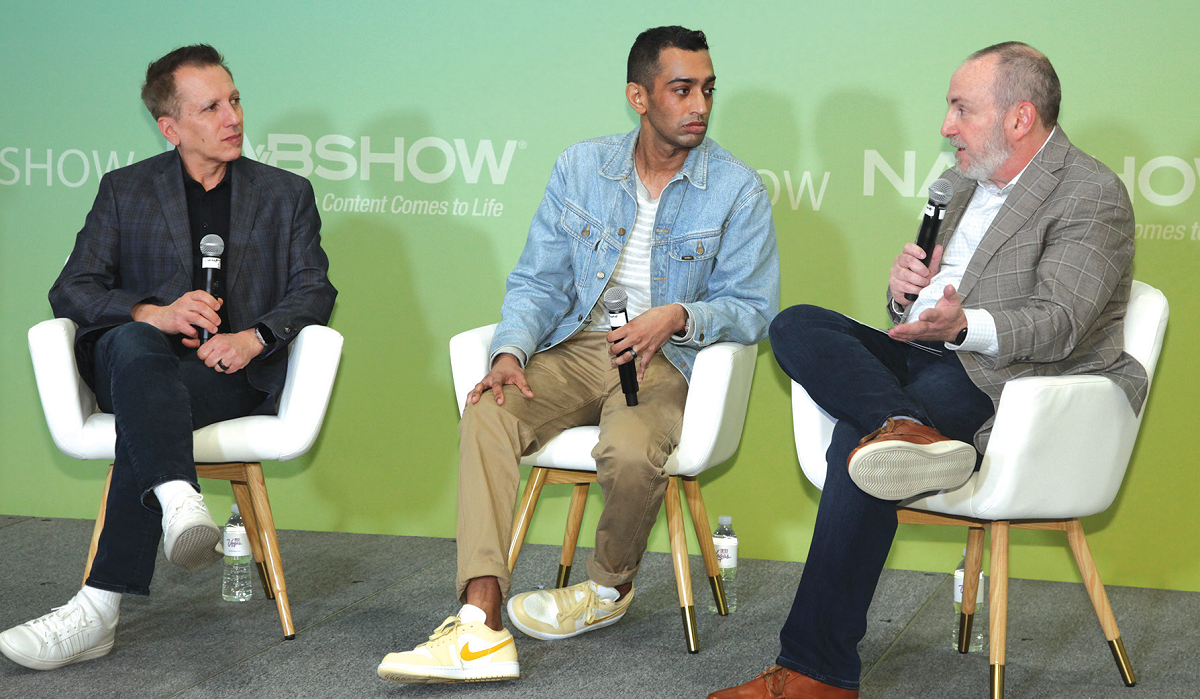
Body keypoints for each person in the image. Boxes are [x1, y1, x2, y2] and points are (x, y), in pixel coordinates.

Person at [710, 42, 1146, 699]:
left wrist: (963, 324)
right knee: (797, 324)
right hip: (929, 354)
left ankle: (815, 671)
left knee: (858, 437)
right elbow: (924, 305)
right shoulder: (960, 187)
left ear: (1020, 117)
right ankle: (905, 423)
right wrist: (905, 292)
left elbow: (1060, 321)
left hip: (1013, 380)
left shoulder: (1091, 193)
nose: (946, 126)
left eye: (961, 109)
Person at [377, 25, 779, 684]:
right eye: (681, 90)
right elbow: (540, 279)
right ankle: (481, 623)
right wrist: (510, 350)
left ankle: (607, 589)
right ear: (639, 96)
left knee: (627, 447)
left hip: (668, 361)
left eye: (706, 89)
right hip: (577, 343)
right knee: (488, 408)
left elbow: (753, 308)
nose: (699, 104)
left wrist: (679, 316)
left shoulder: (736, 188)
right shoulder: (581, 167)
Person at [0, 44, 336, 671]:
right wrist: (153, 313)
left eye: (234, 99)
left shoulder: (286, 194)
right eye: (210, 107)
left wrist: (254, 338)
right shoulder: (126, 190)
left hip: (225, 375)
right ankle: (178, 494)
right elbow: (71, 289)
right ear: (171, 126)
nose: (232, 116)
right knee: (132, 343)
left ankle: (98, 607)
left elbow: (314, 288)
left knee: (150, 417)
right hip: (132, 362)